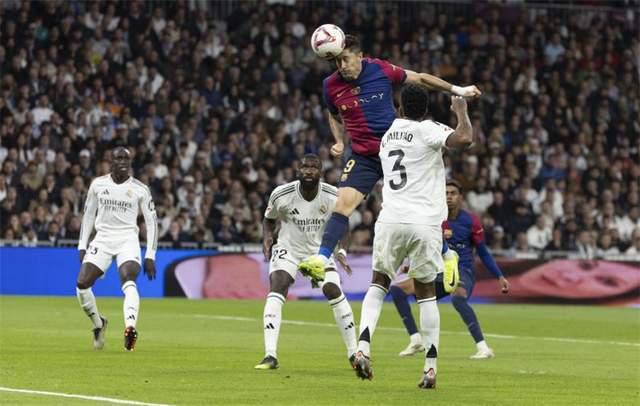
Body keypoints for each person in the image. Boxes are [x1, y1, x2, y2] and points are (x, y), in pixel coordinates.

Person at [298, 34, 481, 283]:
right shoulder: (330, 85)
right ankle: (321, 260)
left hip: (395, 149)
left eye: (346, 60)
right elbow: (334, 114)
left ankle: (448, 255)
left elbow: (420, 78)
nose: (342, 66)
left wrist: (458, 90)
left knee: (416, 211)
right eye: (337, 62)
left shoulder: (379, 69)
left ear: (360, 56)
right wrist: (339, 140)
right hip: (364, 155)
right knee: (342, 205)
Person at [351, 84, 474, 389]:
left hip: (391, 219)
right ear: (426, 110)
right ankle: (430, 367)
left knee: (378, 284)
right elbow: (464, 139)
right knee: (425, 293)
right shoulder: (428, 129)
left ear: (400, 108)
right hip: (424, 223)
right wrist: (461, 112)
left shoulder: (388, 134)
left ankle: (362, 347)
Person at [255, 154, 357, 370]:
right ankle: (270, 355)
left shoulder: (333, 195)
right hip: (288, 249)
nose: (309, 170)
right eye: (305, 167)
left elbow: (343, 224)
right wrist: (267, 237)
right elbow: (268, 219)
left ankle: (354, 353)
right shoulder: (281, 194)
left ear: (321, 171)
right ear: (297, 170)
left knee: (333, 290)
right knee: (278, 285)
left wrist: (342, 251)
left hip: (320, 252)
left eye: (314, 167)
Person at [391, 179, 510, 359]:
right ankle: (416, 339)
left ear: (460, 197)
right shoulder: (434, 218)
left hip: (462, 270)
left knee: (458, 298)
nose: (449, 197)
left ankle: (483, 348)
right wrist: (412, 264)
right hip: (437, 271)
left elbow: (483, 252)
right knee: (397, 290)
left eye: (453, 193)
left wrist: (499, 276)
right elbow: (425, 245)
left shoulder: (471, 220)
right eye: (446, 193)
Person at [76, 146, 158, 351]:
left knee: (128, 279)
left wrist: (150, 255)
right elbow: (88, 215)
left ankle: (130, 328)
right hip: (102, 239)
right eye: (118, 158)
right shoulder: (98, 185)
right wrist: (82, 245)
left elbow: (152, 223)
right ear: (110, 162)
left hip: (127, 240)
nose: (123, 162)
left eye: (126, 159)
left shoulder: (140, 189)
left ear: (130, 163)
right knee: (82, 284)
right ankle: (99, 324)